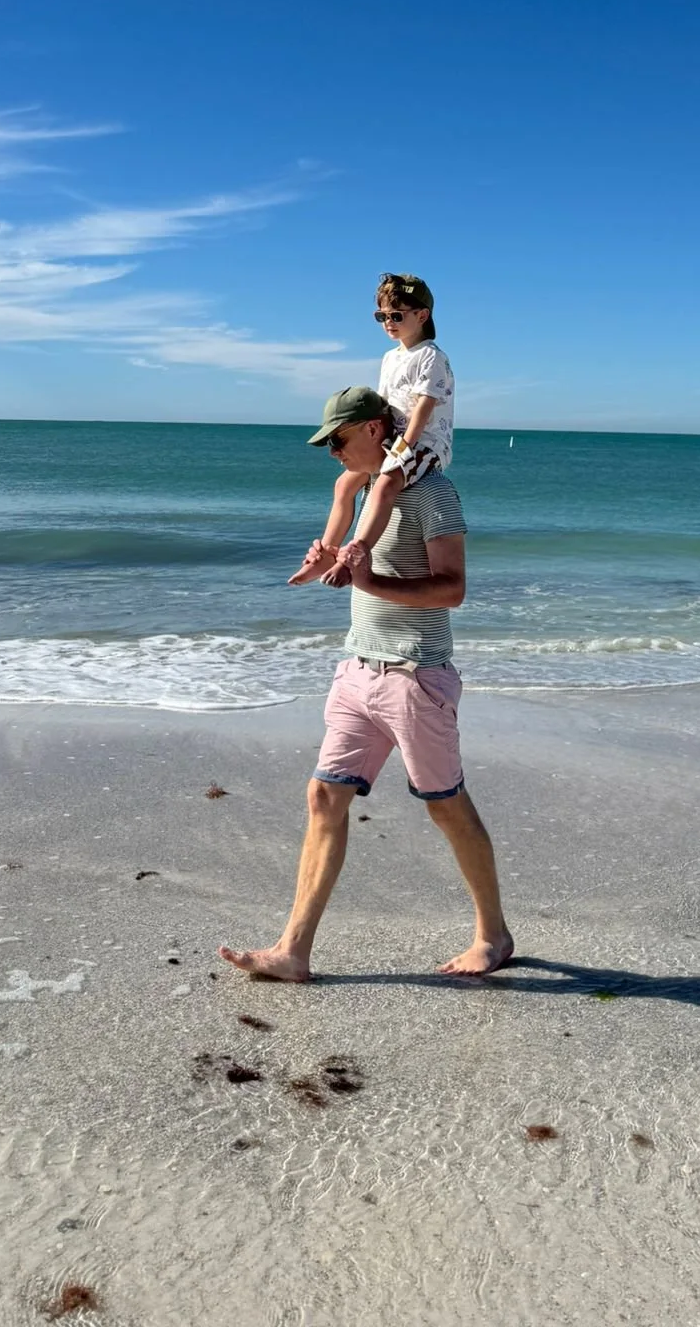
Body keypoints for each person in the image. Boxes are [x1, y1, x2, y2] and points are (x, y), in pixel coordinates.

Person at [220, 385, 512, 982]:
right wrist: (330, 563)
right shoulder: (362, 496)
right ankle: (292, 951)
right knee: (324, 797)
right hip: (357, 670)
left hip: (415, 673)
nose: (330, 451)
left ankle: (493, 935)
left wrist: (368, 581)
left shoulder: (433, 494)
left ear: (377, 428)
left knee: (446, 808)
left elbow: (452, 589)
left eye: (339, 438)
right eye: (325, 441)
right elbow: (353, 564)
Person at [288, 272, 455, 587]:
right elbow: (385, 405)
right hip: (394, 439)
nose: (388, 322)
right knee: (344, 485)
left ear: (422, 315)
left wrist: (405, 445)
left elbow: (423, 407)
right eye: (381, 316)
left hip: (425, 443)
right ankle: (326, 552)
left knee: (385, 485)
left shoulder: (431, 357)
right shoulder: (391, 357)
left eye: (396, 315)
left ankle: (356, 555)